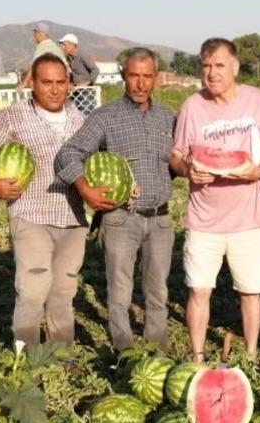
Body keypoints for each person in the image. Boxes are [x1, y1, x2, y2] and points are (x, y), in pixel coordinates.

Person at [56, 48, 176, 351]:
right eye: (134, 75)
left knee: (158, 290)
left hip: (161, 218)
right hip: (121, 217)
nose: (140, 83)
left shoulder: (168, 118)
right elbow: (68, 154)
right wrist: (84, 188)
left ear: (156, 79)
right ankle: (124, 353)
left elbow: (175, 163)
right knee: (121, 292)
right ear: (124, 75)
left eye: (147, 76)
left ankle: (157, 351)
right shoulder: (104, 117)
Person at [170, 38, 260, 362]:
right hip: (204, 220)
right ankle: (198, 355)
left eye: (219, 65)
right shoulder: (192, 106)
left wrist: (257, 170)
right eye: (206, 66)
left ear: (234, 66)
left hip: (250, 220)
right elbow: (176, 156)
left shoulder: (258, 101)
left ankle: (248, 354)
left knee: (250, 292)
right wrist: (188, 169)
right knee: (199, 290)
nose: (212, 73)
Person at [0, 51, 87, 347]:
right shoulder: (12, 117)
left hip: (73, 218)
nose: (55, 89)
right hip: (31, 215)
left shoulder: (80, 118)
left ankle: (62, 354)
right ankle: (26, 356)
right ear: (32, 82)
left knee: (63, 292)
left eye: (61, 82)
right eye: (46, 82)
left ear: (69, 83)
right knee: (33, 291)